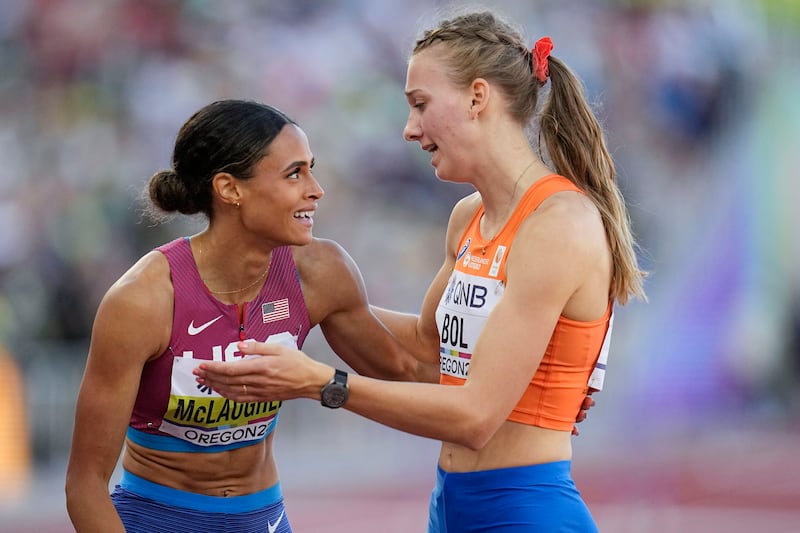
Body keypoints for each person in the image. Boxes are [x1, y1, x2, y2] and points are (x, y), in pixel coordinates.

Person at [194, 9, 647, 533]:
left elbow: (475, 417)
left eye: (419, 105)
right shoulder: (469, 218)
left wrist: (321, 384)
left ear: (478, 97)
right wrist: (311, 295)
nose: (409, 130)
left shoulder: (558, 224)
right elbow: (424, 355)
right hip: (451, 508)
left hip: (527, 512)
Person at [64, 99, 439, 533]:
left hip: (262, 517)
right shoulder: (142, 300)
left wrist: (510, 389)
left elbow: (406, 371)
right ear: (230, 189)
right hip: (155, 516)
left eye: (311, 169)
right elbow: (84, 485)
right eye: (294, 173)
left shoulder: (320, 273)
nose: (316, 189)